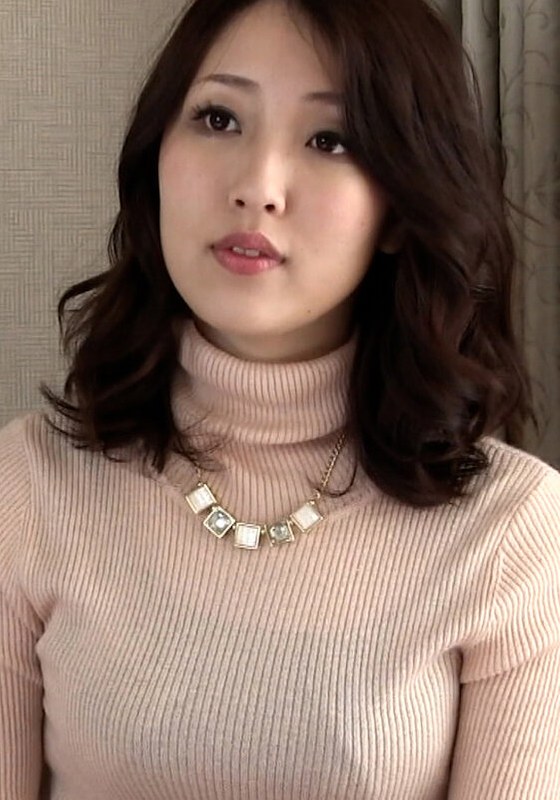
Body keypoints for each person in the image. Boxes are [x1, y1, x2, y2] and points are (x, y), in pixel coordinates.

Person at [1, 0, 559, 796]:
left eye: (330, 140)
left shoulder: (514, 530)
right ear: (156, 158)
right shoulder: (28, 486)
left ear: (399, 211)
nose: (258, 187)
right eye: (219, 118)